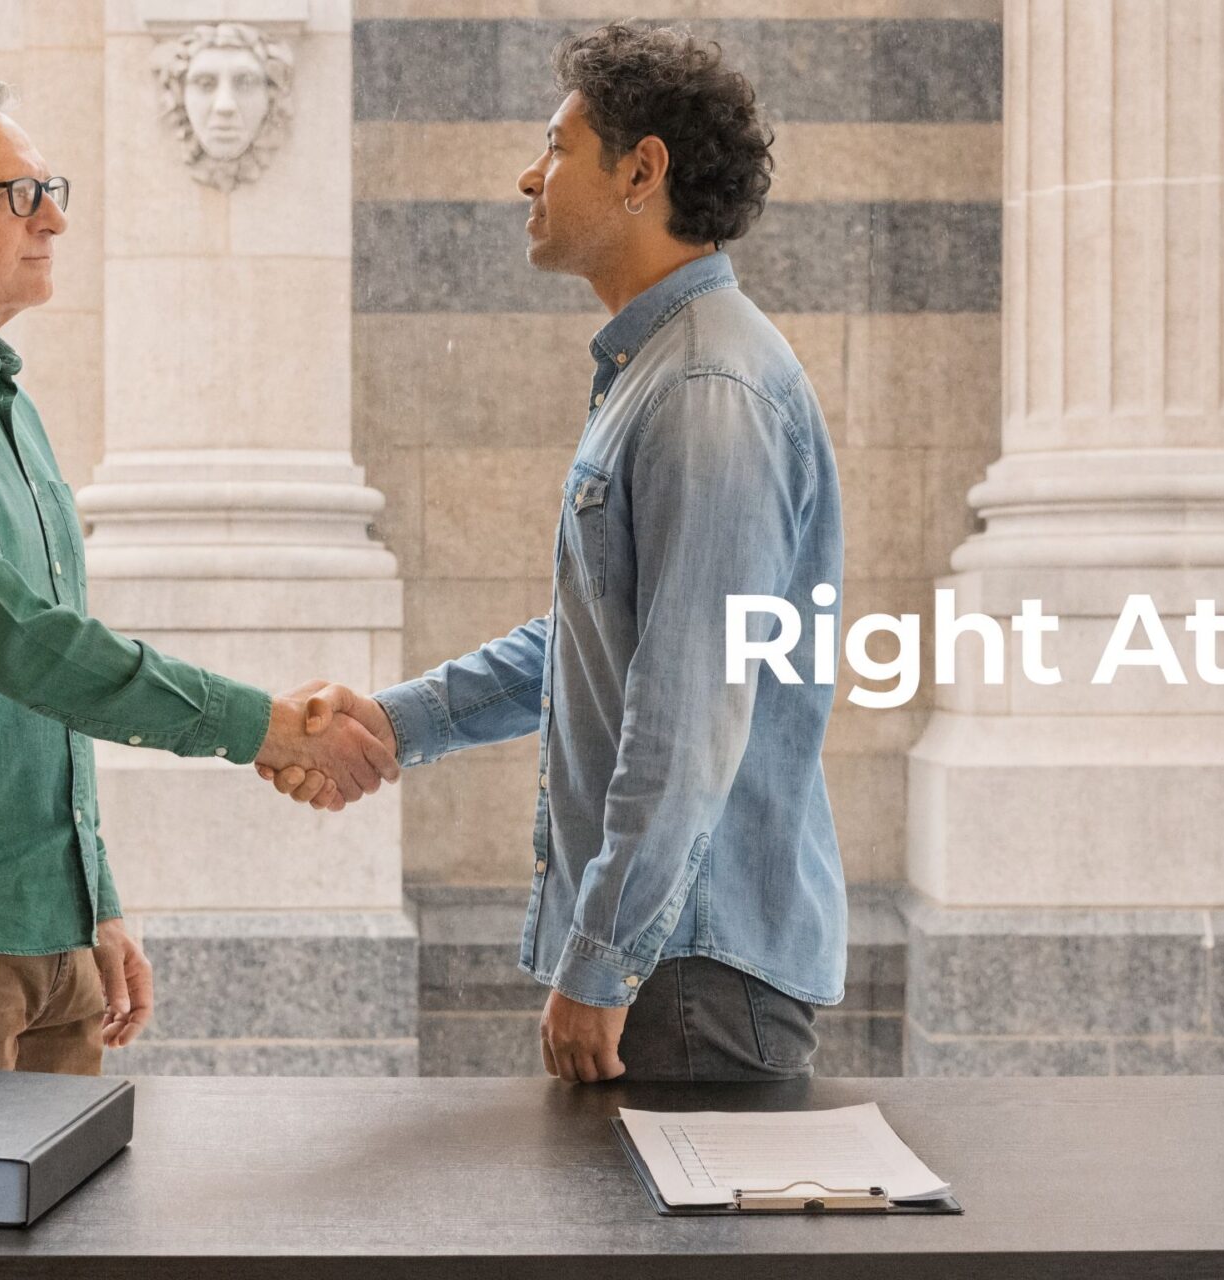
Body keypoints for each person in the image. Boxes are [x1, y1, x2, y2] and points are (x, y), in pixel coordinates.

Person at [0, 81, 395, 1099]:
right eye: (14, 193)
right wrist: (265, 727)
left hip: (48, 935)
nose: (52, 216)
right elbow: (6, 637)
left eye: (49, 188)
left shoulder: (6, 406)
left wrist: (93, 898)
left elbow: (46, 677)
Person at [266, 23, 846, 1084]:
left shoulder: (706, 392)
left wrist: (602, 962)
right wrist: (397, 721)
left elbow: (684, 708)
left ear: (641, 170)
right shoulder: (660, 371)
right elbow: (598, 641)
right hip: (671, 966)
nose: (525, 175)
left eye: (556, 147)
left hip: (689, 977)